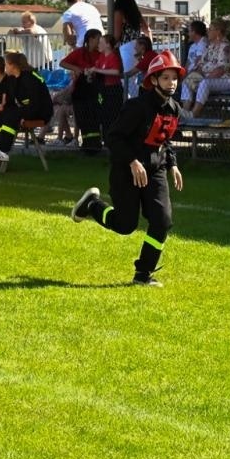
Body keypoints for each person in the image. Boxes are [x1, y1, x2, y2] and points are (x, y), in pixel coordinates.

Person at [69, 50, 186, 286]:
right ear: (153, 80)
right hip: (127, 171)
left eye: (174, 78)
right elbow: (113, 138)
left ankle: (143, 274)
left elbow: (165, 139)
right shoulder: (137, 106)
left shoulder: (175, 108)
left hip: (156, 171)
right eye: (165, 78)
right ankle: (92, 205)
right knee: (125, 226)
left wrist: (172, 164)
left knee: (162, 221)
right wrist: (133, 161)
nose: (171, 83)